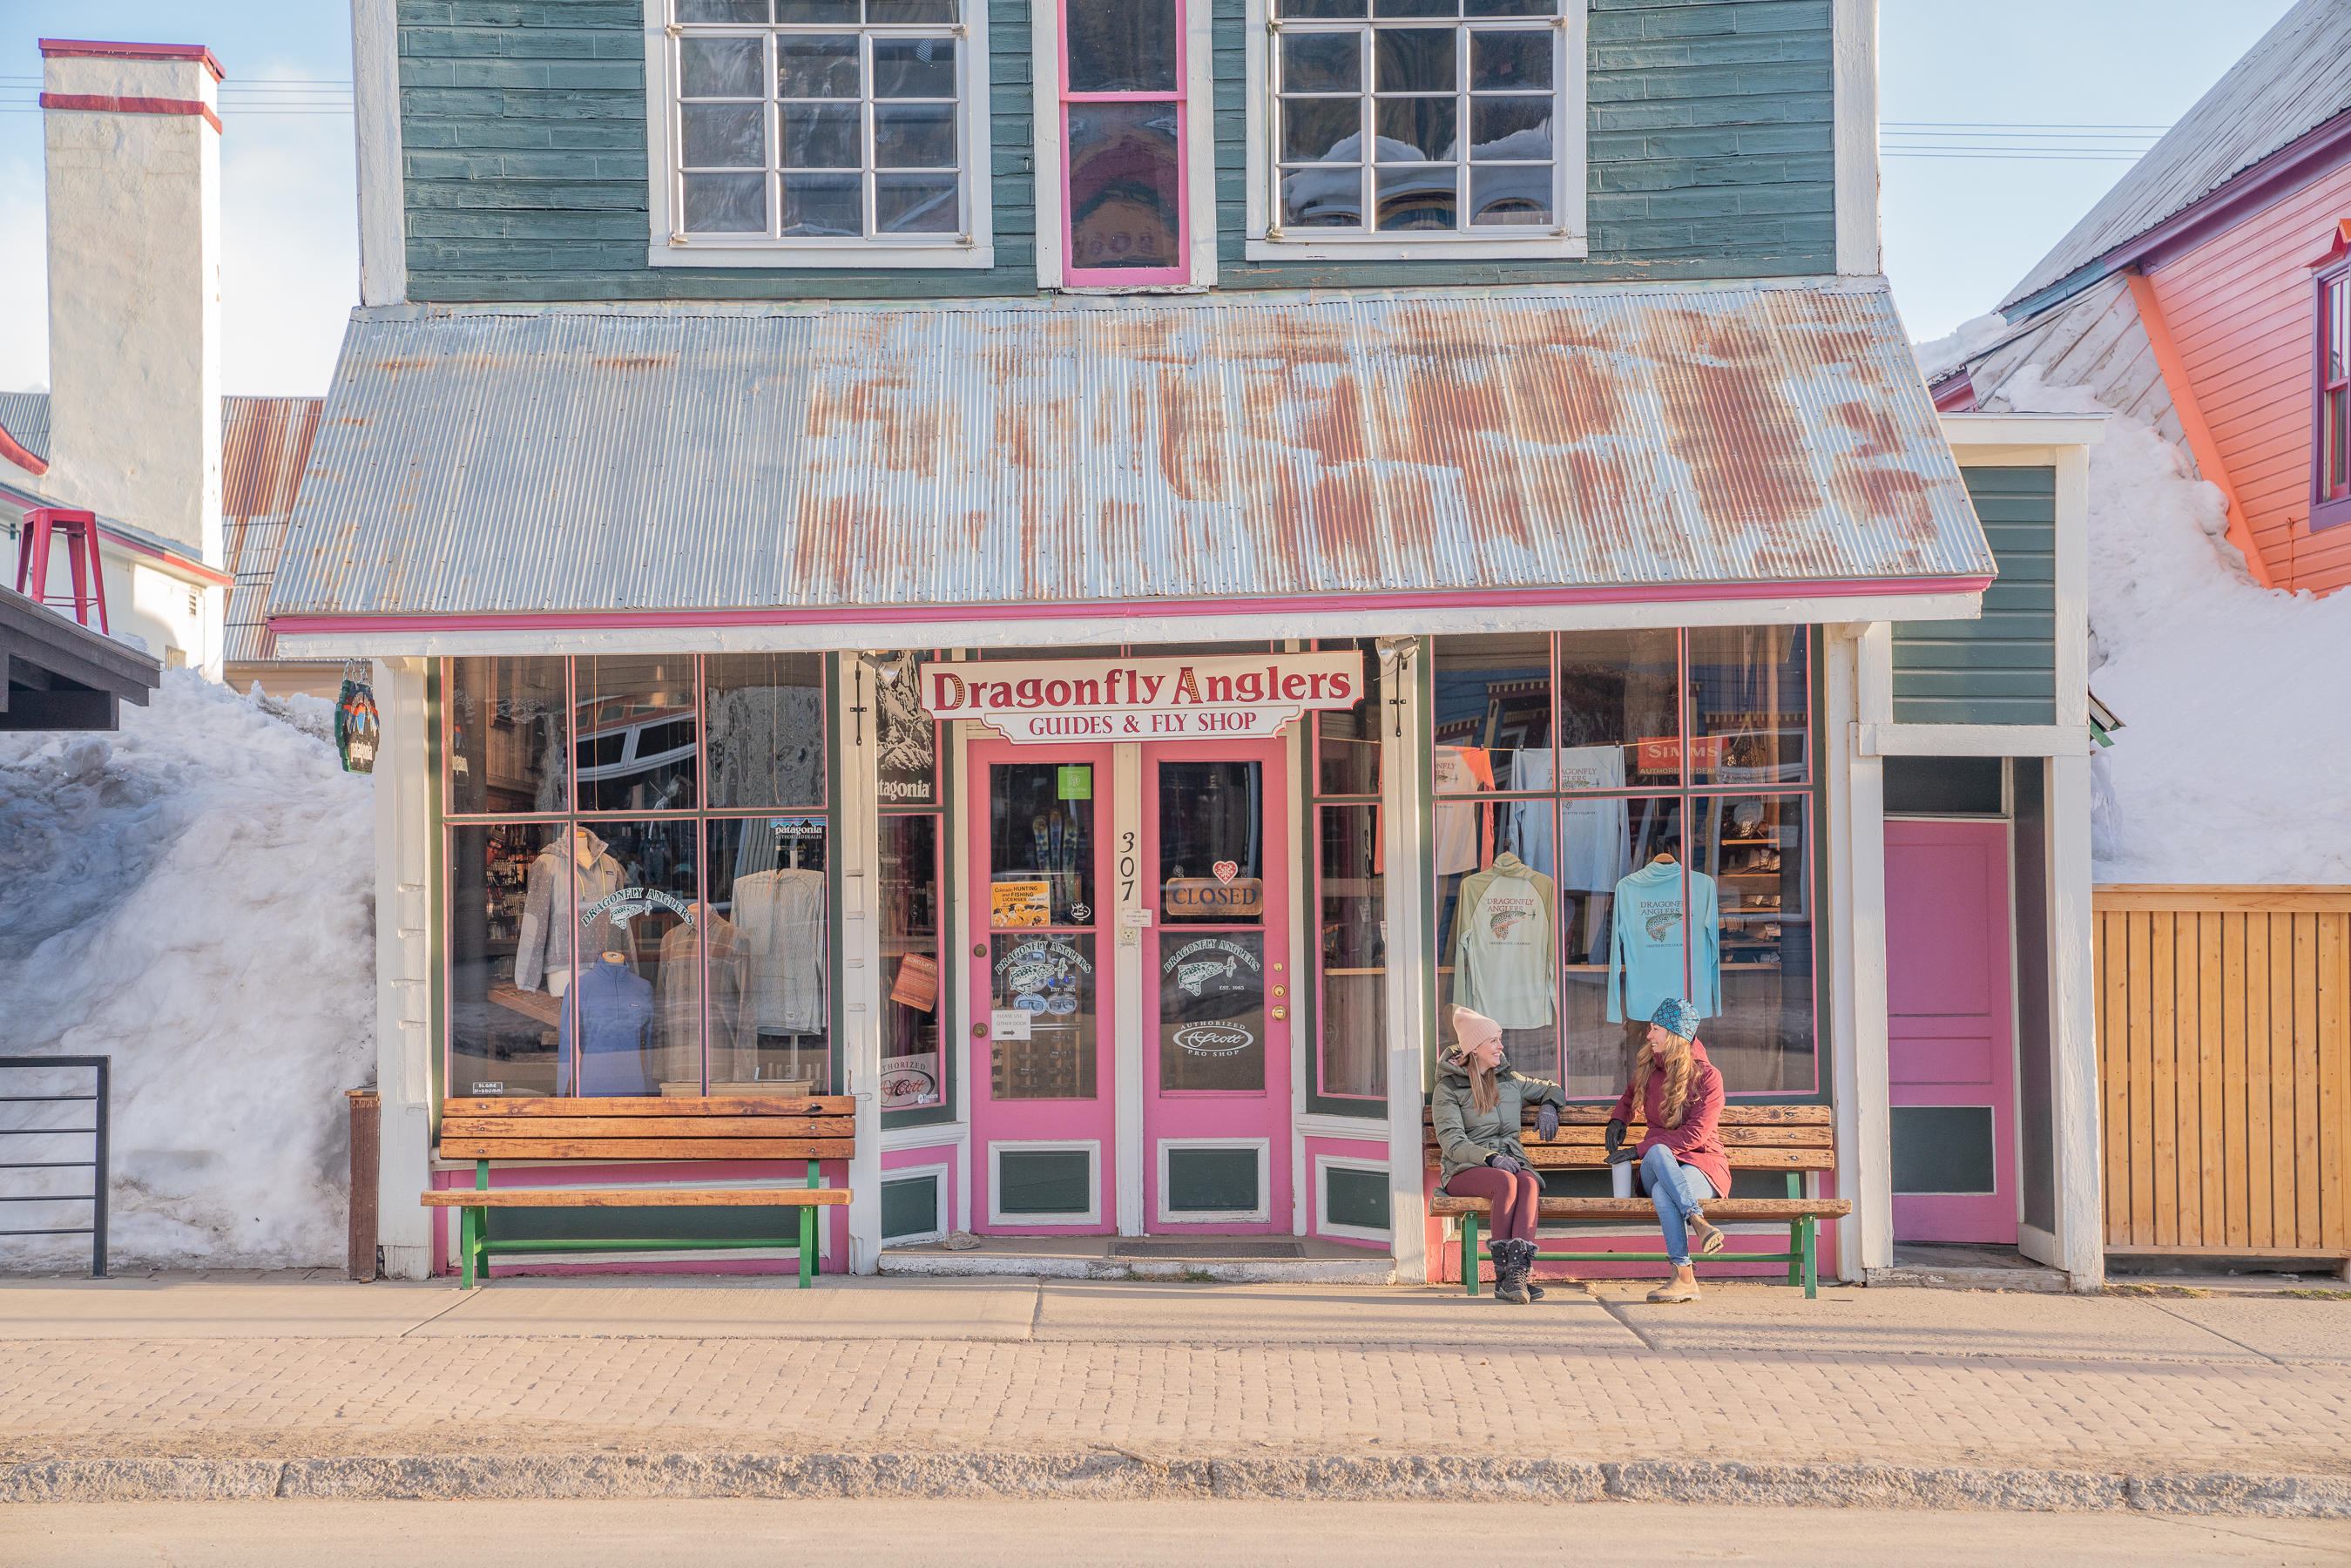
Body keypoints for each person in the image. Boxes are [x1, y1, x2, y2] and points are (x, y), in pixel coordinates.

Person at [1433, 1004, 1569, 1305]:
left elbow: (1552, 1088)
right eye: (1494, 1040)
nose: (1501, 1046)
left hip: (1509, 1162)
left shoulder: (1509, 1081)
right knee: (1506, 1182)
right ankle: (1504, 1277)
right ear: (1475, 1048)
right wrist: (1490, 1158)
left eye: (1499, 1039)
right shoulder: (1448, 1088)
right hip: (1463, 1169)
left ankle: (1516, 1275)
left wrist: (1549, 1105)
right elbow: (1452, 1142)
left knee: (1529, 1182)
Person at [1605, 997, 1729, 1303]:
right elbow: (1629, 1096)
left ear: (1675, 1035)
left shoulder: (1708, 1077)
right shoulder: (1650, 1066)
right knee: (1659, 1153)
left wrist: (1638, 1150)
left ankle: (1684, 1277)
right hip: (1656, 1163)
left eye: (1655, 1029)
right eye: (1650, 1027)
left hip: (1702, 1164)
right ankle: (1697, 1221)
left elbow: (1698, 1133)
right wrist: (1619, 1120)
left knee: (1664, 1192)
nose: (1648, 1035)